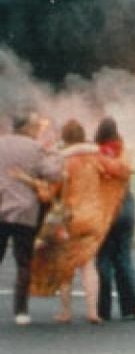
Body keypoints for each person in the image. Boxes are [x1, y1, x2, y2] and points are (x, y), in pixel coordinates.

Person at [27, 119, 130, 324]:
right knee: (88, 265)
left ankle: (66, 312)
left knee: (67, 264)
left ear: (64, 138)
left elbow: (49, 194)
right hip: (94, 218)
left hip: (70, 218)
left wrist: (34, 186)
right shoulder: (97, 157)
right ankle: (93, 311)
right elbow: (123, 170)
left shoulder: (62, 161)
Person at [0, 113, 62, 325]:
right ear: (26, 127)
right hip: (25, 211)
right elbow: (53, 173)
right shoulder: (34, 148)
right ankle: (21, 311)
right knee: (23, 261)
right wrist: (53, 151)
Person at [92, 117, 135, 321]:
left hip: (105, 211)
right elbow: (129, 169)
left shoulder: (95, 155)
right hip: (126, 208)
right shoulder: (125, 152)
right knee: (124, 258)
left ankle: (103, 309)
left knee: (103, 259)